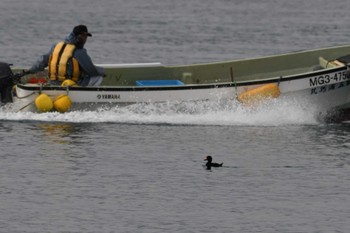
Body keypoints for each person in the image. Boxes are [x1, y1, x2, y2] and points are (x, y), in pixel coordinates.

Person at [28, 25, 104, 86]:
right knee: (98, 77)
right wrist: (102, 71)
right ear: (81, 36)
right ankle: (89, 99)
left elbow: (42, 61)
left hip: (53, 84)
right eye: (85, 36)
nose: (85, 39)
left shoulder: (56, 46)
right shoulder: (79, 51)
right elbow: (91, 70)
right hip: (70, 85)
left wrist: (28, 72)